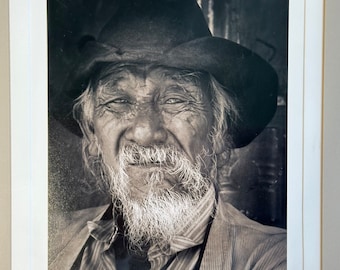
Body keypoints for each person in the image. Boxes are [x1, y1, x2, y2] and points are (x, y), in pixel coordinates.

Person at [49, 0, 286, 269]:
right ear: (91, 133)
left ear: (219, 128)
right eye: (118, 101)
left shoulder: (274, 258)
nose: (145, 132)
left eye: (175, 99)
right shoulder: (48, 241)